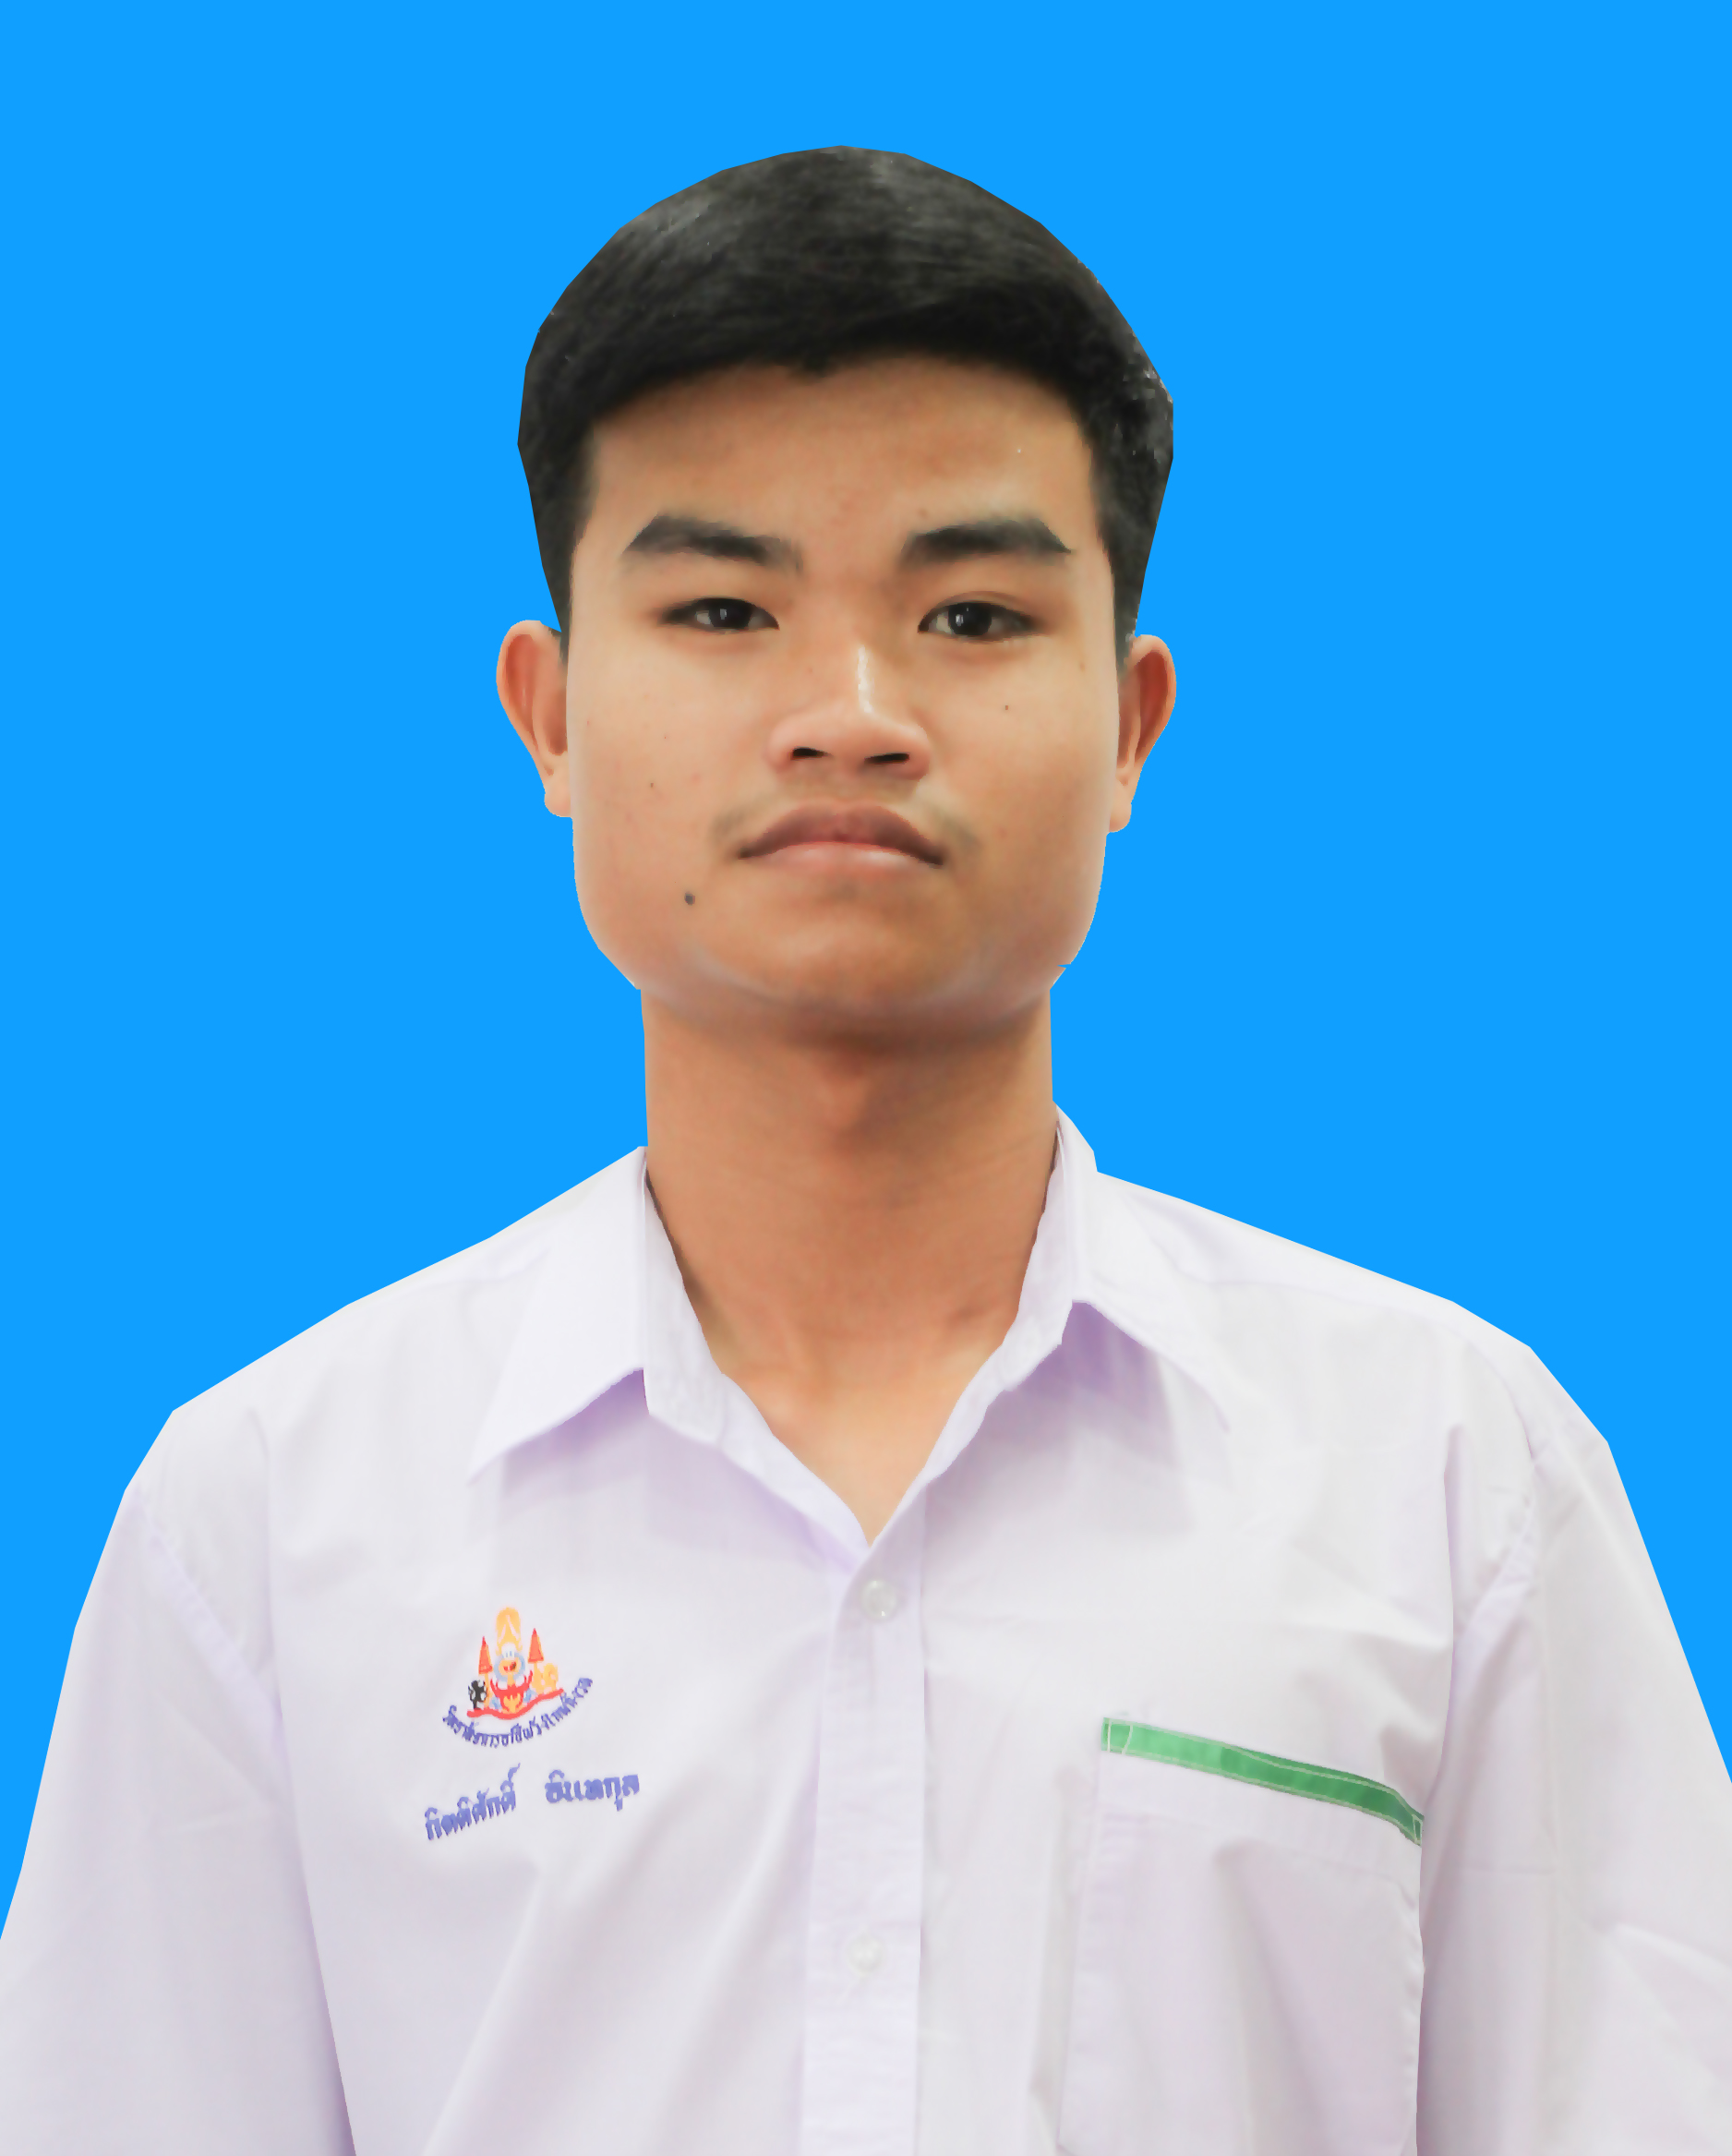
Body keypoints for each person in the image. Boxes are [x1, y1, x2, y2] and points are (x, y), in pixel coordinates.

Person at [1, 147, 1727, 2155]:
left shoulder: (1445, 1472)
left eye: (971, 612)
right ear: (548, 715)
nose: (849, 715)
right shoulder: (272, 1519)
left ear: (1129, 724)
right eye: (723, 607)